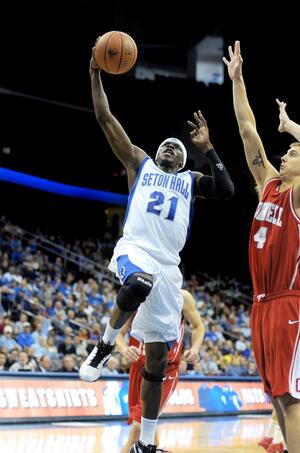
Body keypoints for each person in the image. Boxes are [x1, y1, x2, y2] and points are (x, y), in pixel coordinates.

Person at [80, 43, 234, 453]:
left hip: (170, 268)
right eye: (166, 144)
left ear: (183, 161)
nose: (169, 148)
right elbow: (104, 117)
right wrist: (95, 73)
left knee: (156, 360)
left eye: (176, 148)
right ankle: (105, 344)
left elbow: (226, 189)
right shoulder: (139, 164)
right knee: (137, 282)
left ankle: (146, 443)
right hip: (136, 249)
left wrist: (209, 149)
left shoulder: (190, 181)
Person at [223, 40, 300, 453]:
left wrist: (292, 128)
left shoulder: (298, 195)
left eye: (292, 152)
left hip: (289, 302)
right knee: (277, 396)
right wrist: (238, 81)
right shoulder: (268, 185)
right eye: (285, 150)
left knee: (291, 395)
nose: (285, 155)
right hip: (260, 303)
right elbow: (247, 129)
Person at [116, 289, 205, 453]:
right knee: (147, 425)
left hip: (166, 368)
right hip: (139, 366)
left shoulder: (182, 297)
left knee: (138, 426)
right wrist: (123, 348)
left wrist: (195, 348)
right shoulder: (138, 292)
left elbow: (198, 326)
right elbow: (117, 333)